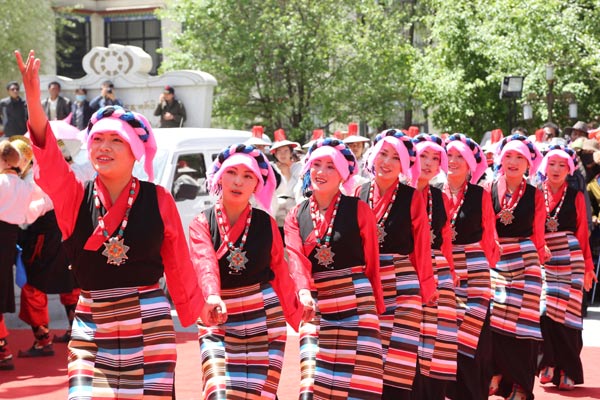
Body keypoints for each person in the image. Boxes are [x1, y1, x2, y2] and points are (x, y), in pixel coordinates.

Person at [17, 50, 204, 398]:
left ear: (136, 150)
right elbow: (49, 156)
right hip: (92, 320)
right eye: (98, 139)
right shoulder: (74, 195)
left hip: (149, 322)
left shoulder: (159, 198)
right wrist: (33, 99)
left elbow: (178, 260)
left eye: (117, 140)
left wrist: (196, 307)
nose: (104, 146)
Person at [189, 144, 314, 399]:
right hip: (218, 314)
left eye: (248, 176)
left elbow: (280, 270)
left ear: (257, 185)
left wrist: (297, 312)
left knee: (258, 394)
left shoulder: (265, 223)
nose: (238, 181)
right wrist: (212, 296)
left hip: (264, 316)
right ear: (219, 177)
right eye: (231, 172)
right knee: (219, 391)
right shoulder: (202, 223)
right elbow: (204, 264)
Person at [284, 138, 385, 399]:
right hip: (316, 301)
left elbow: (372, 261)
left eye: (331, 166)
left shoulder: (360, 209)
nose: (322, 172)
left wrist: (376, 303)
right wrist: (303, 291)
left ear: (342, 173)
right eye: (316, 164)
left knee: (358, 382)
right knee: (312, 380)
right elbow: (295, 258)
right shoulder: (296, 215)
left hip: (357, 298)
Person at [356, 129, 437, 400]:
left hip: (403, 282)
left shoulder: (412, 196)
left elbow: (422, 246)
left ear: (404, 165)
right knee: (368, 354)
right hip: (368, 281)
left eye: (395, 157)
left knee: (400, 359)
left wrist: (427, 286)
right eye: (382, 154)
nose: (387, 162)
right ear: (373, 157)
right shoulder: (358, 192)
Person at [488, 134, 548, 400]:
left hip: (526, 263)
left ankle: (520, 386)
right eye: (509, 156)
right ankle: (497, 375)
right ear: (501, 159)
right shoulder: (488, 188)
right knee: (494, 321)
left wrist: (540, 255)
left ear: (528, 163)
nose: (513, 161)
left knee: (523, 327)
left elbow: (538, 232)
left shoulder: (535, 194)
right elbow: (485, 227)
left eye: (520, 157)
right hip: (496, 261)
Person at [442, 133, 498, 400]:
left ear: (470, 164)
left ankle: (474, 391)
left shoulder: (480, 194)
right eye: (449, 155)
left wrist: (490, 265)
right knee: (445, 330)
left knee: (475, 331)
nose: (452, 161)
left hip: (475, 269)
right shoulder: (432, 192)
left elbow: (488, 233)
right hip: (443, 266)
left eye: (459, 157)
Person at [536, 145, 597, 390]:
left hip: (572, 258)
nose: (557, 169)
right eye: (552, 163)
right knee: (542, 309)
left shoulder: (577, 196)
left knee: (570, 315)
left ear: (569, 169)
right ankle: (547, 363)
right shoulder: (536, 194)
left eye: (562, 165)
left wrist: (588, 268)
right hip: (544, 258)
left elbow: (583, 233)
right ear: (544, 166)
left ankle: (568, 370)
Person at [412, 133, 458, 400]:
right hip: (403, 271)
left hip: (436, 270)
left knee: (435, 339)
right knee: (406, 337)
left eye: (435, 158)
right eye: (422, 157)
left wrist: (450, 271)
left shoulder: (439, 197)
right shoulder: (398, 191)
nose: (428, 163)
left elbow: (446, 238)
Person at [0, 140, 34, 370]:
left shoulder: (1, 182)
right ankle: (3, 351)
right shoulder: (25, 187)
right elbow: (25, 218)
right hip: (9, 242)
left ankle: (3, 351)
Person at [270, 128, 302, 239]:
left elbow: (297, 190)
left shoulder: (299, 167)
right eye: (279, 151)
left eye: (285, 151)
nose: (282, 154)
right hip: (276, 211)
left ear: (291, 152)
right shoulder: (271, 169)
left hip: (293, 210)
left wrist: (287, 174)